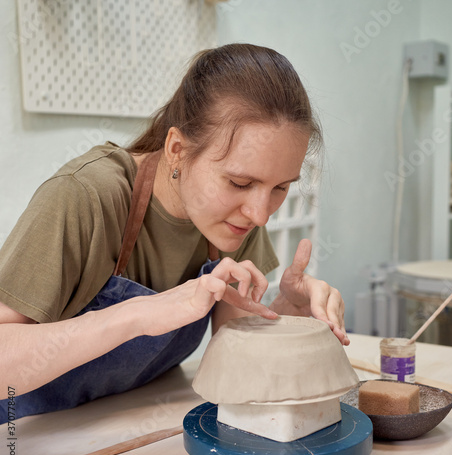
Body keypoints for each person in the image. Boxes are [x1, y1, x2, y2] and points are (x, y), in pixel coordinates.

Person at [0, 43, 347, 424]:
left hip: (114, 423)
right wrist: (135, 315)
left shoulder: (233, 221)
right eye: (239, 182)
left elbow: (234, 346)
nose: (260, 215)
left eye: (281, 187)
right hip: (23, 439)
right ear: (177, 149)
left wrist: (286, 313)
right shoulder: (84, 197)